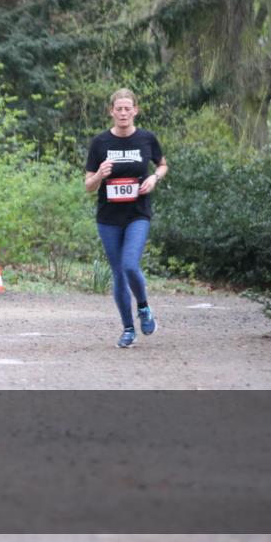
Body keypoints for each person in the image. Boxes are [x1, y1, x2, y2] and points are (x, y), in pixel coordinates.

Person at [84, 88, 169, 348]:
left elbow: (162, 164)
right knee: (118, 273)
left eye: (127, 108)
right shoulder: (100, 143)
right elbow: (88, 185)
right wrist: (99, 174)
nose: (122, 113)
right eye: (118, 109)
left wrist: (154, 178)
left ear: (135, 110)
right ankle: (128, 329)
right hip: (108, 218)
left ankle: (143, 307)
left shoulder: (146, 139)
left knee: (130, 265)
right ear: (111, 112)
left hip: (137, 214)